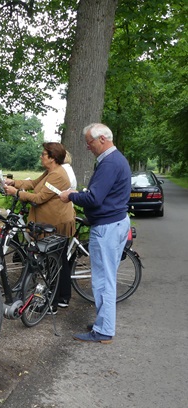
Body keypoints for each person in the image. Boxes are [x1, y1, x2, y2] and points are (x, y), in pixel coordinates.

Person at [60, 123, 131, 343]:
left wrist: (71, 196)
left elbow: (94, 198)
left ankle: (104, 331)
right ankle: (103, 322)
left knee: (103, 280)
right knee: (106, 278)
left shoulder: (109, 163)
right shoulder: (116, 159)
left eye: (89, 143)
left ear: (102, 139)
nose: (88, 147)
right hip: (116, 222)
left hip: (108, 227)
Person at [4, 142, 76, 311]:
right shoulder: (50, 172)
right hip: (51, 221)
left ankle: (54, 302)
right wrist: (13, 182)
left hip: (57, 223)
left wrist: (16, 193)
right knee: (59, 261)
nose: (41, 157)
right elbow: (33, 184)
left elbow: (39, 198)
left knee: (56, 262)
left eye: (44, 154)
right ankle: (62, 297)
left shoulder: (57, 175)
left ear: (52, 158)